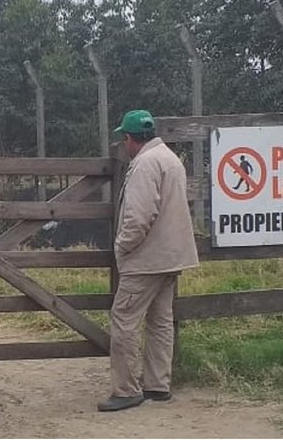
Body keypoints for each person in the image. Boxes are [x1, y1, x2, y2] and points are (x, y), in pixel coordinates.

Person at [97, 109, 199, 412]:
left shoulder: (143, 164)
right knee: (160, 321)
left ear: (129, 138)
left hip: (146, 259)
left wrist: (122, 247)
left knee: (125, 321)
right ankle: (158, 385)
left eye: (124, 139)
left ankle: (126, 389)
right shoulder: (170, 159)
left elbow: (138, 217)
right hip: (171, 256)